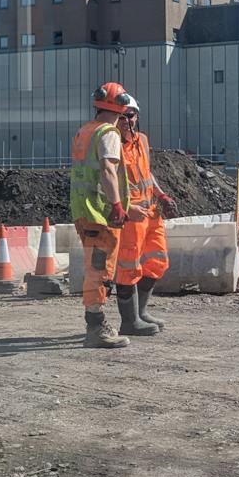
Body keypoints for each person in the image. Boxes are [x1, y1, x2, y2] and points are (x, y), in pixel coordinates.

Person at [70, 82, 146, 349]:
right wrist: (117, 206)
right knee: (100, 271)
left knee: (95, 267)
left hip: (84, 210)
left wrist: (125, 207)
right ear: (122, 104)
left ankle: (96, 322)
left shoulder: (85, 131)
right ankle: (95, 327)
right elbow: (107, 171)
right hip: (100, 214)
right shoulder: (108, 133)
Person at [114, 97, 176, 336]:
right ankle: (129, 321)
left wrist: (162, 196)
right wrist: (123, 207)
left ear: (136, 116)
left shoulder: (142, 141)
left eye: (130, 115)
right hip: (131, 214)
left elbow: (147, 174)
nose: (126, 120)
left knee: (157, 261)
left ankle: (141, 312)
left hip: (151, 213)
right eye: (121, 116)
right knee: (129, 266)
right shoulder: (112, 145)